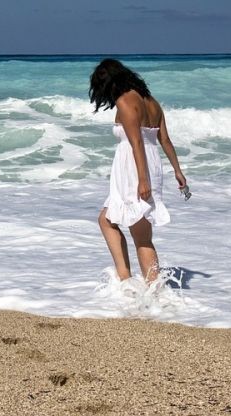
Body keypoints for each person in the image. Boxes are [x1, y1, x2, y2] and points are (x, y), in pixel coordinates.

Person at [89, 58, 188, 285]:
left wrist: (143, 180)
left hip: (136, 169)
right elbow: (165, 140)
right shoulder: (152, 102)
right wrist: (177, 170)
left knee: (139, 234)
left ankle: (147, 289)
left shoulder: (125, 101)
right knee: (110, 220)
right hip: (150, 164)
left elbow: (136, 143)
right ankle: (133, 283)